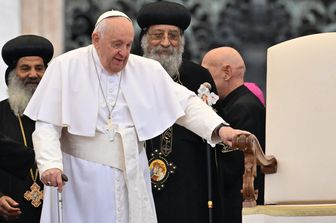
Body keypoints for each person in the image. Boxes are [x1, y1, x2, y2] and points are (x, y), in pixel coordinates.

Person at [24, 10, 249, 223]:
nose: (123, 52)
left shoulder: (145, 69)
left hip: (130, 173)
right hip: (80, 177)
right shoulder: (66, 66)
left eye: (128, 45)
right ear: (96, 39)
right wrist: (50, 164)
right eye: (116, 45)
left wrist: (221, 129)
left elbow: (186, 104)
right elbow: (46, 124)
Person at [136, 1, 223, 222]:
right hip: (138, 179)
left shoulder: (197, 76)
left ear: (181, 41)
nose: (166, 43)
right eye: (158, 35)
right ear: (145, 39)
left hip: (187, 185)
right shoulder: (131, 75)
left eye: (173, 36)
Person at [202, 46, 266, 223]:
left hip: (238, 207)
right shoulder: (235, 105)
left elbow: (234, 165)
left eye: (207, 72)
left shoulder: (243, 108)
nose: (204, 82)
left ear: (227, 72)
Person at [0, 35, 54, 222]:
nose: (33, 74)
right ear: (12, 74)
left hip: (55, 212)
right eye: (25, 68)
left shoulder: (62, 116)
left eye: (39, 68)